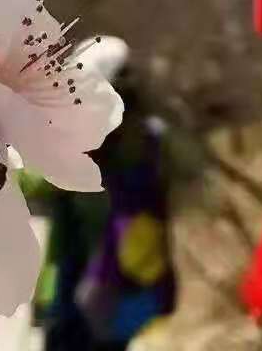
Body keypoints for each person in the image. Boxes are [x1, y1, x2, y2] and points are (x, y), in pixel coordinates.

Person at [25, 37, 177, 351]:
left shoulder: (108, 141)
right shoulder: (149, 139)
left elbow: (31, 183)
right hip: (114, 286)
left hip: (94, 287)